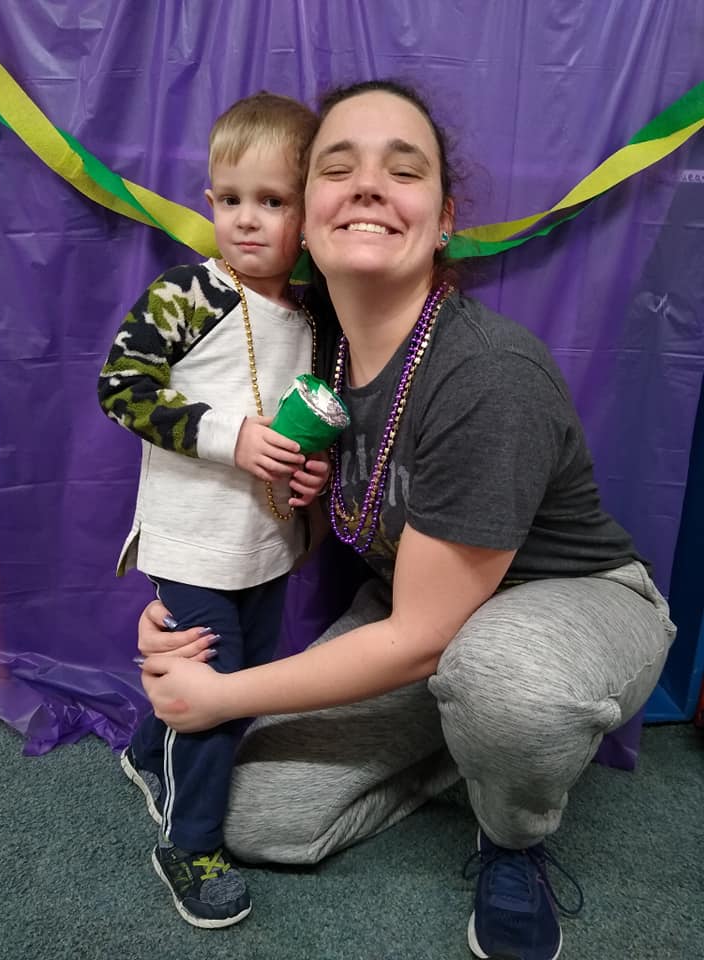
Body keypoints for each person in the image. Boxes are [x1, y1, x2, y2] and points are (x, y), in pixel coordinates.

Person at [134, 80, 676, 960]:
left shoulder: (487, 373)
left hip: (569, 602)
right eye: (336, 168)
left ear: (444, 216)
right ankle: (471, 741)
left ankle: (512, 839)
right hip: (422, 617)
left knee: (510, 679)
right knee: (249, 816)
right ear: (305, 221)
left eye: (405, 168)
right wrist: (187, 610)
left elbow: (421, 637)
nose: (369, 184)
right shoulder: (310, 358)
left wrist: (220, 695)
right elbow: (307, 523)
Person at [97, 92, 331, 929]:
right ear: (209, 202)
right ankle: (189, 843)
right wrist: (227, 438)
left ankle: (141, 747)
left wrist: (312, 476)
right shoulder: (189, 292)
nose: (247, 220)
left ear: (309, 213)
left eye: (272, 202)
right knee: (219, 688)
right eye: (231, 200)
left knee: (245, 680)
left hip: (268, 541)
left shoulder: (312, 314)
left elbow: (311, 417)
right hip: (193, 542)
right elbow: (119, 386)